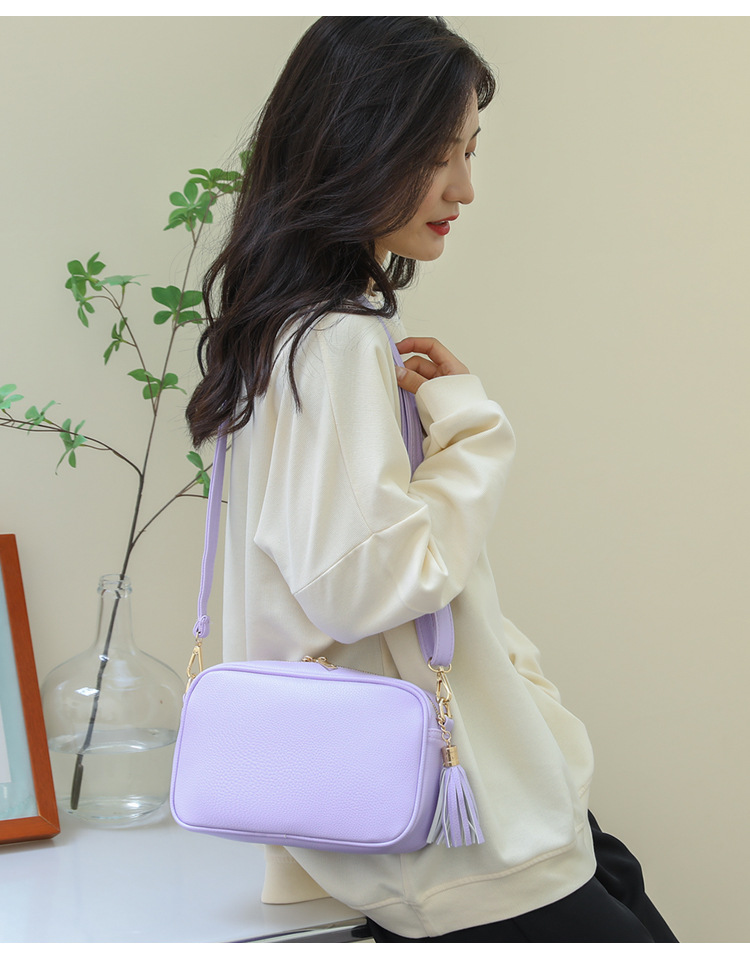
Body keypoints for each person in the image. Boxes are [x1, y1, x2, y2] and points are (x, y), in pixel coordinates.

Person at [186, 16, 678, 943]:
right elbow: (369, 581)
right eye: (435, 155)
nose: (464, 188)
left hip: (436, 825)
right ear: (353, 144)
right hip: (461, 847)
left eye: (469, 151)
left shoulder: (279, 334)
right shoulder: (333, 341)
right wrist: (476, 434)